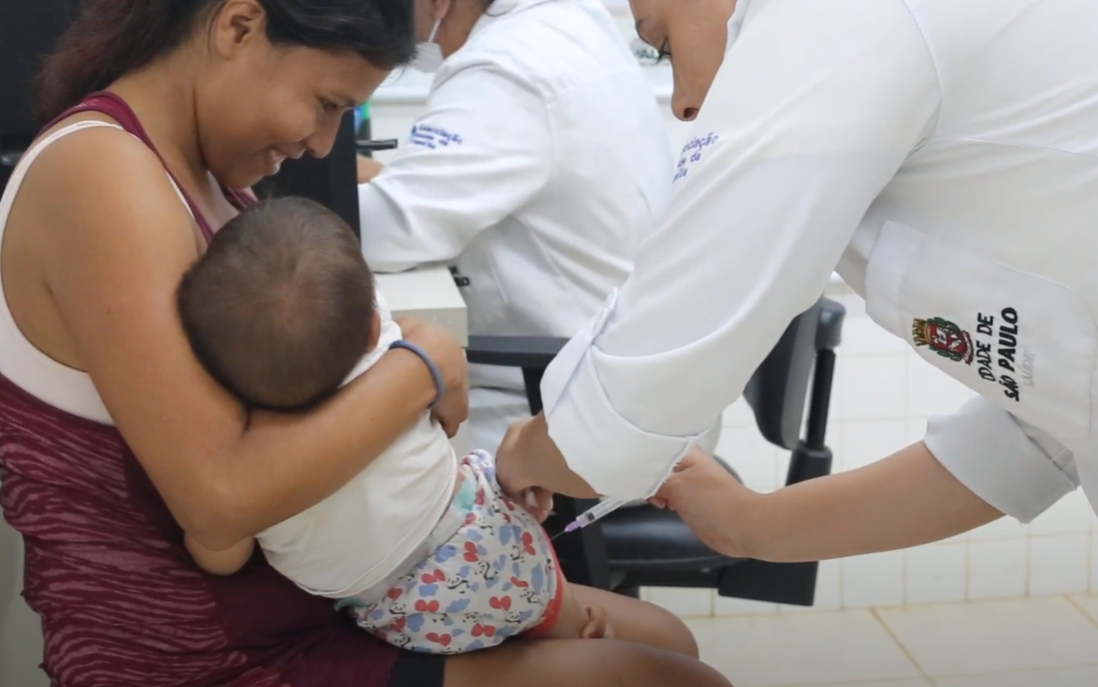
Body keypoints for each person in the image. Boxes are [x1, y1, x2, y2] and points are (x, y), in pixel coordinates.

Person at [0, 0, 732, 685]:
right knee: (671, 676)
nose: (321, 144)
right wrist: (421, 364)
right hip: (205, 650)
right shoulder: (103, 174)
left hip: (310, 603)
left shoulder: (206, 176)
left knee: (676, 650)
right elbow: (220, 501)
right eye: (326, 105)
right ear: (238, 27)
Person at [495, 0, 1098, 564]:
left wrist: (525, 451)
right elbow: (1048, 418)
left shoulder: (829, 18)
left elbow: (623, 420)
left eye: (664, 46)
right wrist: (751, 523)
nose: (682, 103)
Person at [175, 196, 696, 655]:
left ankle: (550, 631)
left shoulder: (244, 464)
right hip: (484, 541)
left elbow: (219, 554)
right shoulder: (387, 362)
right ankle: (568, 628)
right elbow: (450, 416)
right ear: (372, 330)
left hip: (400, 616)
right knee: (647, 637)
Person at [355, 0, 723, 456]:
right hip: (633, 395)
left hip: (553, 410)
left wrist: (263, 219)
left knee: (356, 466)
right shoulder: (568, 20)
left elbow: (395, 228)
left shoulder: (505, 67)